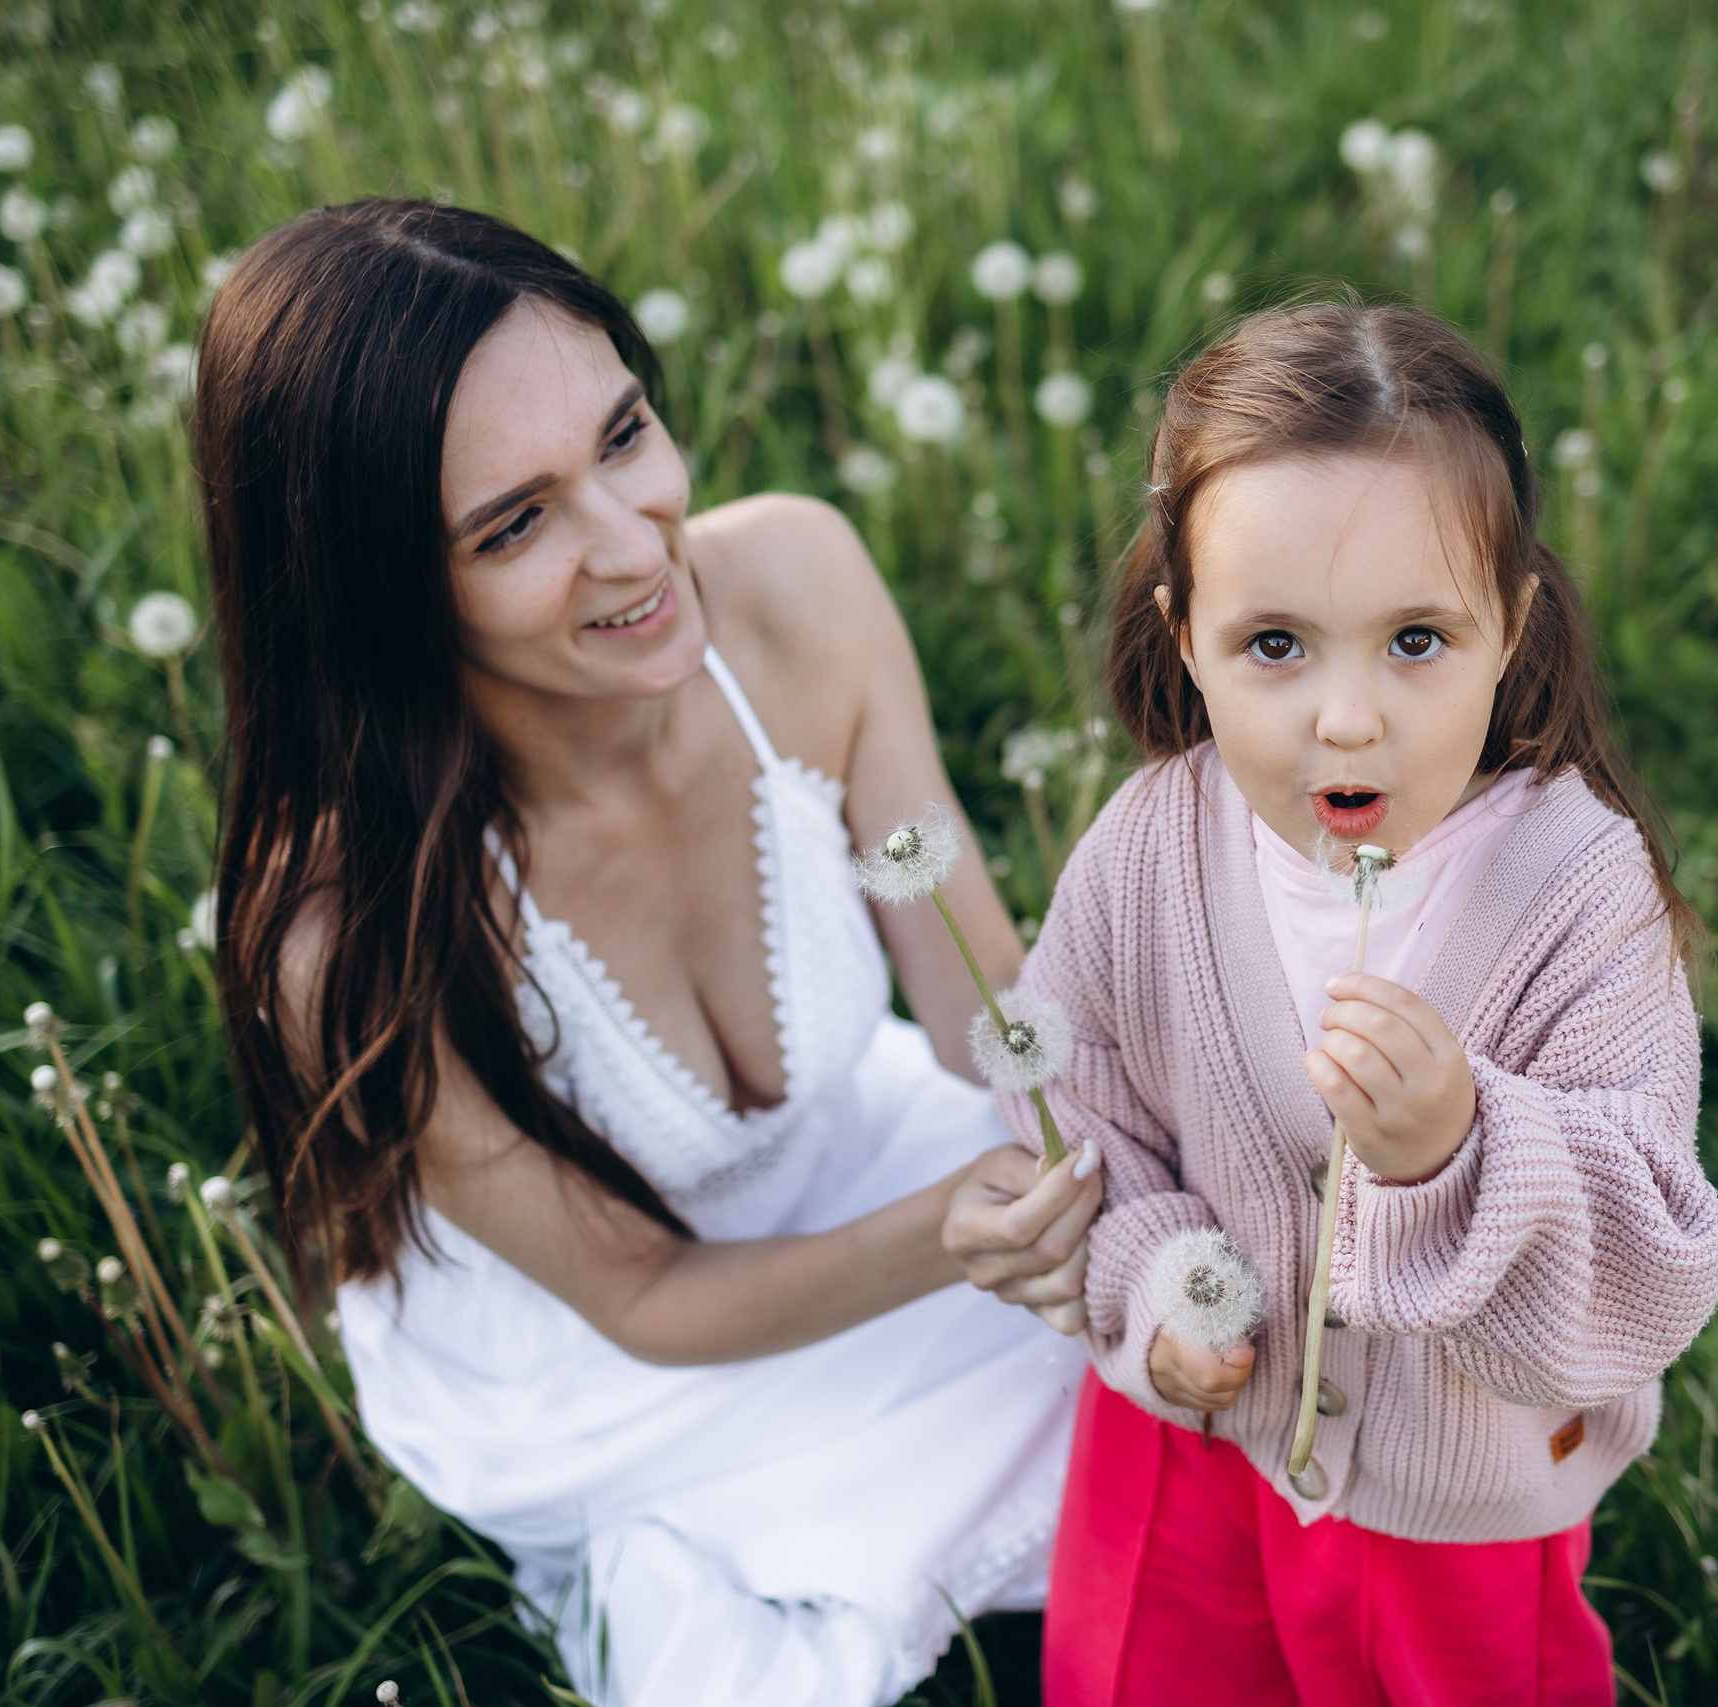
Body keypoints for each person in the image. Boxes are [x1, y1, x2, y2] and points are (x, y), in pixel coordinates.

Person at [198, 200, 1099, 1707]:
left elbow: (977, 1003)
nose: (634, 545)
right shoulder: (348, 928)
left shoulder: (799, 585)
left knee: (1226, 1313)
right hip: (606, 1360)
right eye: (514, 525)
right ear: (380, 595)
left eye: (624, 437)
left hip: (860, 1155)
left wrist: (1138, 1118)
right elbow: (643, 1300)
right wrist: (961, 1233)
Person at [983, 301, 1718, 1703]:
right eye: (1275, 644)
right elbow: (1072, 1109)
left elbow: (1650, 1260)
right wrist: (1160, 1288)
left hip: (1452, 1506)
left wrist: (1462, 1147)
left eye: (1416, 640)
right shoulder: (1153, 849)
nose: (1347, 717)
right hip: (1189, 1447)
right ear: (1185, 637)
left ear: (1510, 628)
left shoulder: (1577, 892)